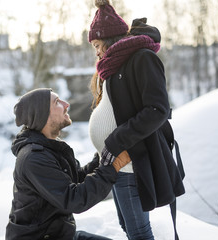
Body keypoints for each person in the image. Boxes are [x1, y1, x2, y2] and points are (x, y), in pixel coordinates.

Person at [87, 1, 185, 240]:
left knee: (139, 233)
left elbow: (157, 109)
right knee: (128, 227)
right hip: (117, 164)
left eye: (98, 45)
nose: (97, 52)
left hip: (131, 163)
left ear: (109, 39)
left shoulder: (142, 58)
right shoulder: (114, 67)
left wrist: (115, 141)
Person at [5, 88, 131, 240]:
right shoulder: (33, 158)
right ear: (42, 115)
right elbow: (74, 199)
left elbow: (76, 179)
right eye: (57, 102)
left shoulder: (49, 147)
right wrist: (113, 166)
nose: (66, 104)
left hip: (60, 235)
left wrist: (103, 156)